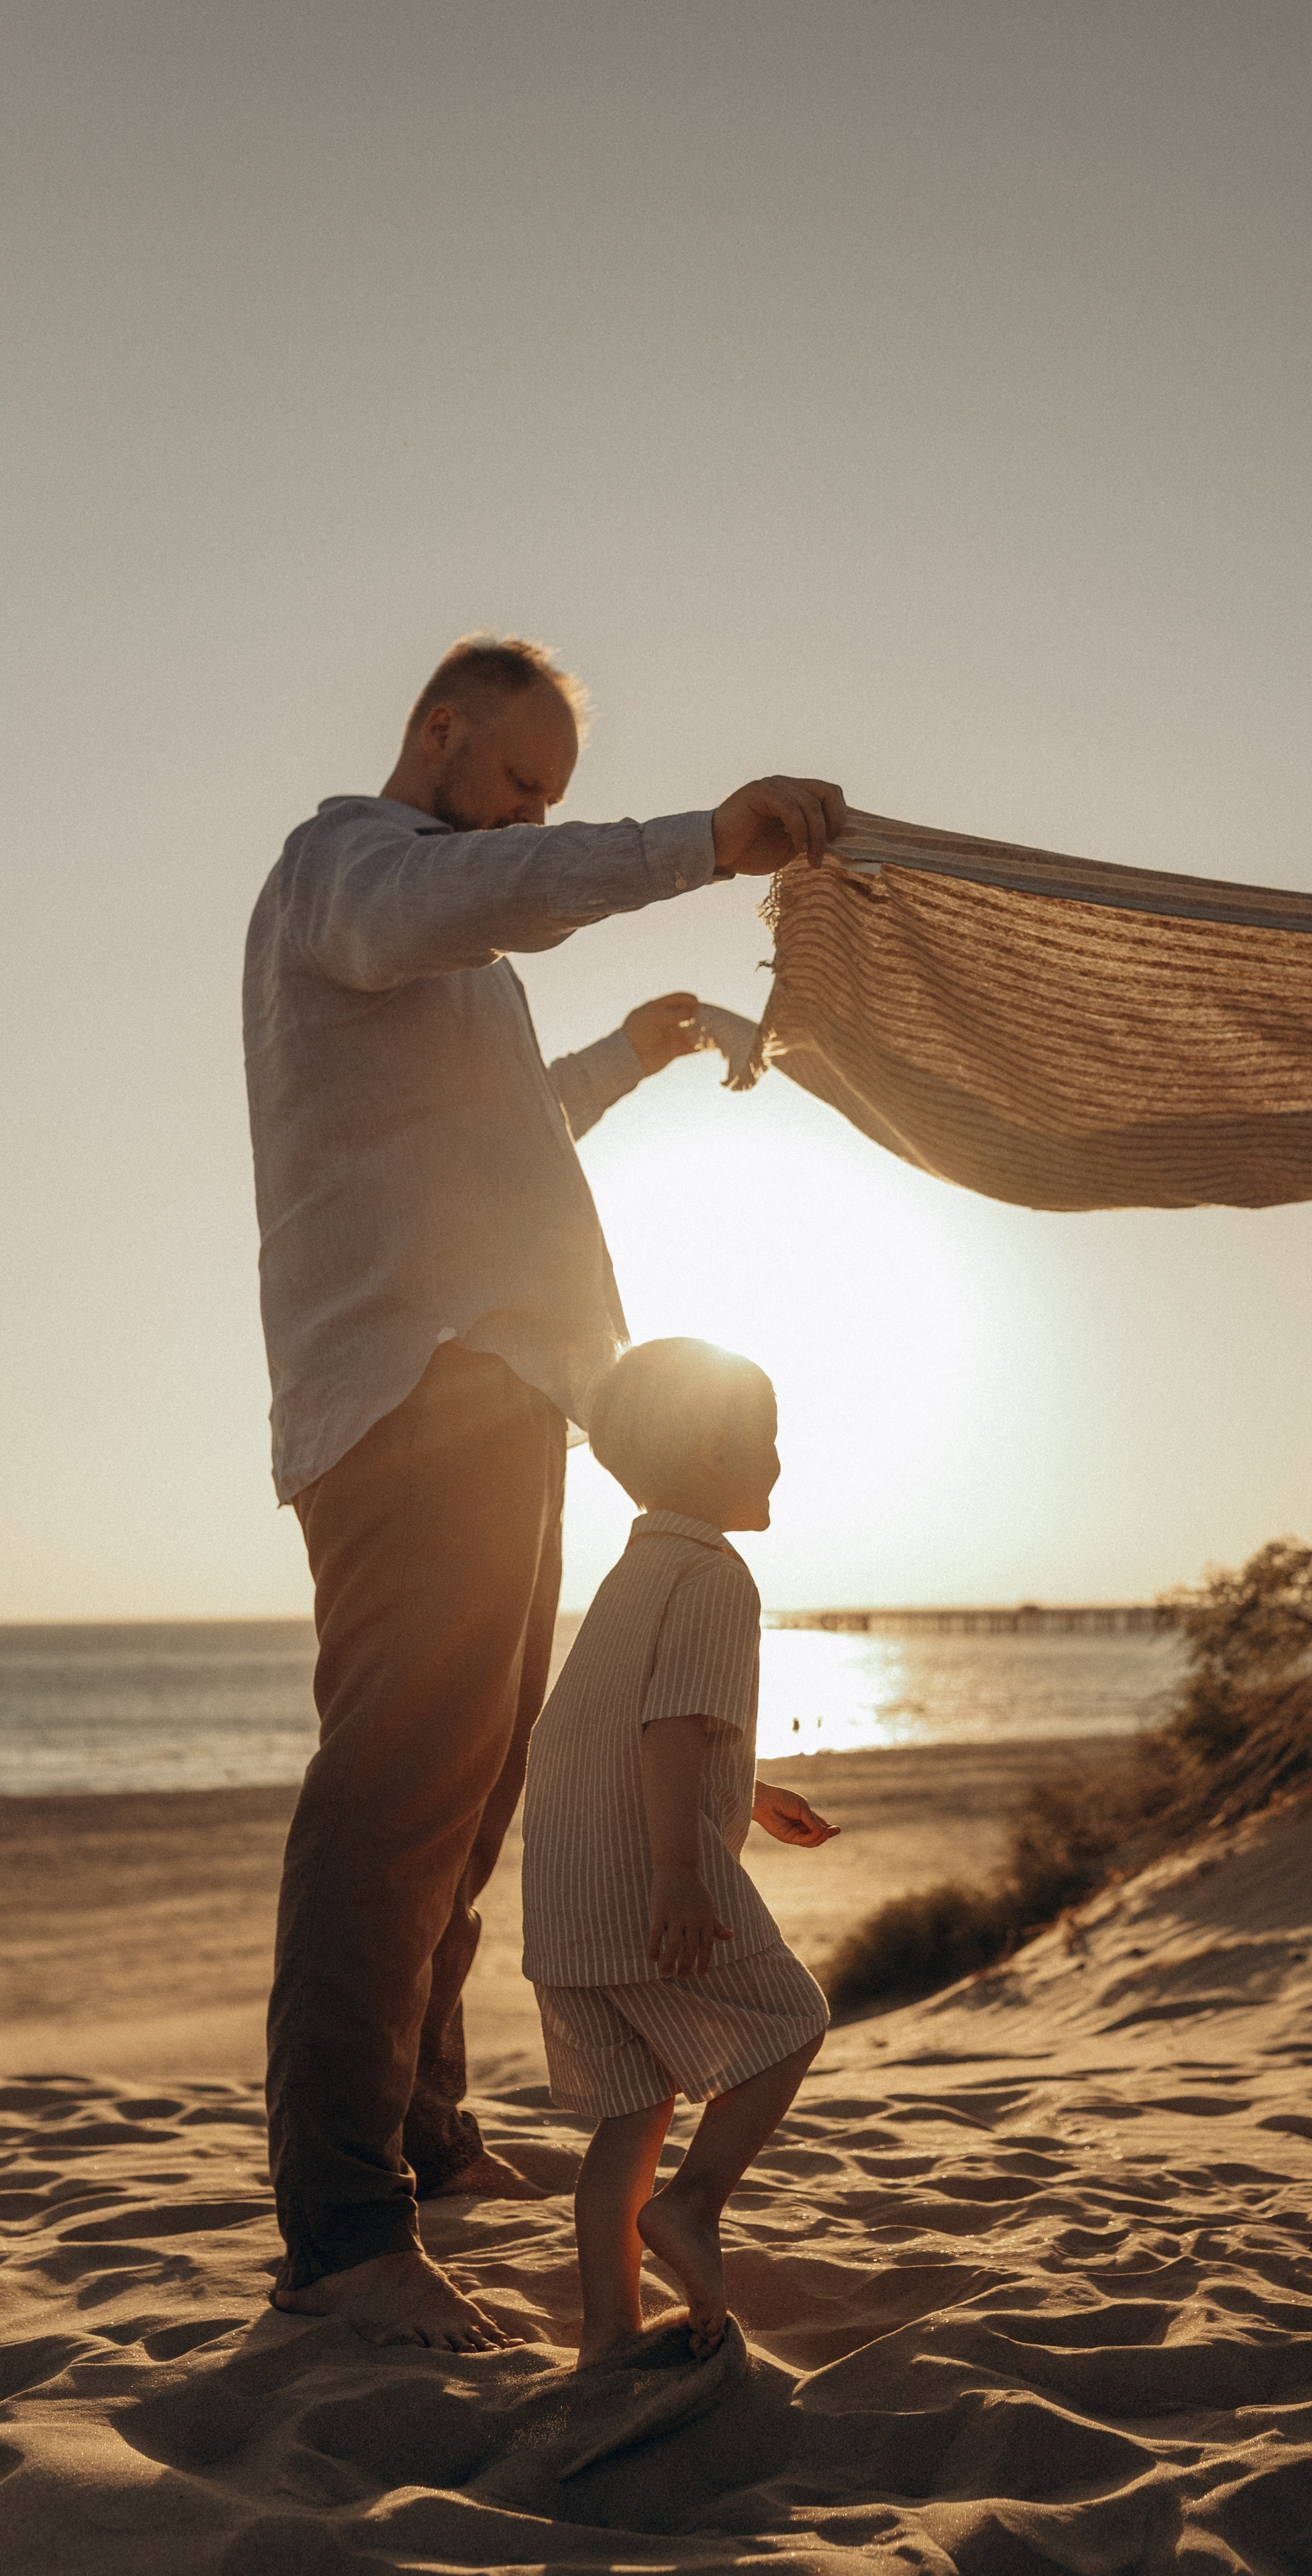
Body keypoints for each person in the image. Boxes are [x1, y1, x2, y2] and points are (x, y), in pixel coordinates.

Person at [243, 632, 846, 2352]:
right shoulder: (346, 868)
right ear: (436, 734)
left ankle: (425, 2146)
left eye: (546, 805)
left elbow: (495, 1144)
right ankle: (344, 2231)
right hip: (411, 1396)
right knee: (389, 1810)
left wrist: (631, 1058)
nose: (520, 823)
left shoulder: (446, 949)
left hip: (503, 1394)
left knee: (473, 1791)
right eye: (511, 786)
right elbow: (476, 897)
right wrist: (693, 847)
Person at [521, 1337, 837, 2365]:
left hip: (563, 1892)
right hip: (642, 1879)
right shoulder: (715, 1576)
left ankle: (611, 2332)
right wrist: (681, 1875)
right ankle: (693, 2206)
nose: (783, 1463)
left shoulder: (633, 1574)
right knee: (791, 2020)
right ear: (713, 1450)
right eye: (770, 1443)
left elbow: (626, 1726)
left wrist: (750, 1792)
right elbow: (671, 1731)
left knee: (631, 2111)